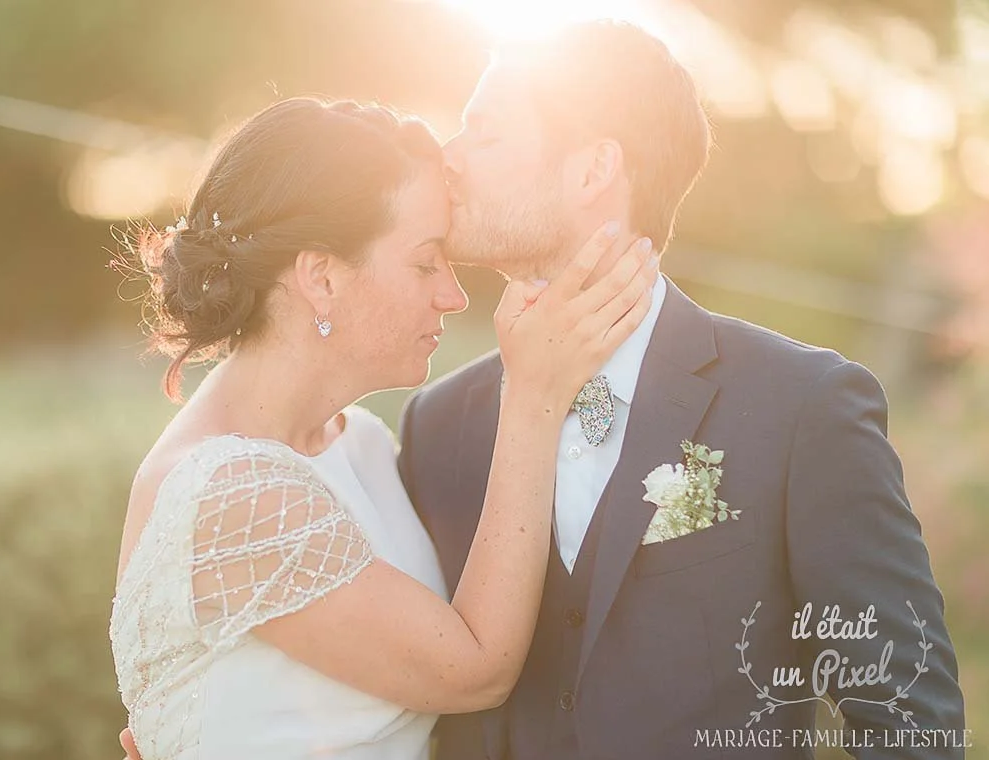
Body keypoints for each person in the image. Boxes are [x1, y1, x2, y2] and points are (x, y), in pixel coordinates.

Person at [400, 19, 965, 760]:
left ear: (593, 169)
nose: (450, 157)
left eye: (486, 132)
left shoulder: (801, 408)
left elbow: (908, 720)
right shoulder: (437, 425)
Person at [109, 96, 657, 760]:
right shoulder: (230, 494)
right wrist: (535, 394)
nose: (453, 296)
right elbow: (475, 668)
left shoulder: (360, 440)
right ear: (321, 277)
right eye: (426, 262)